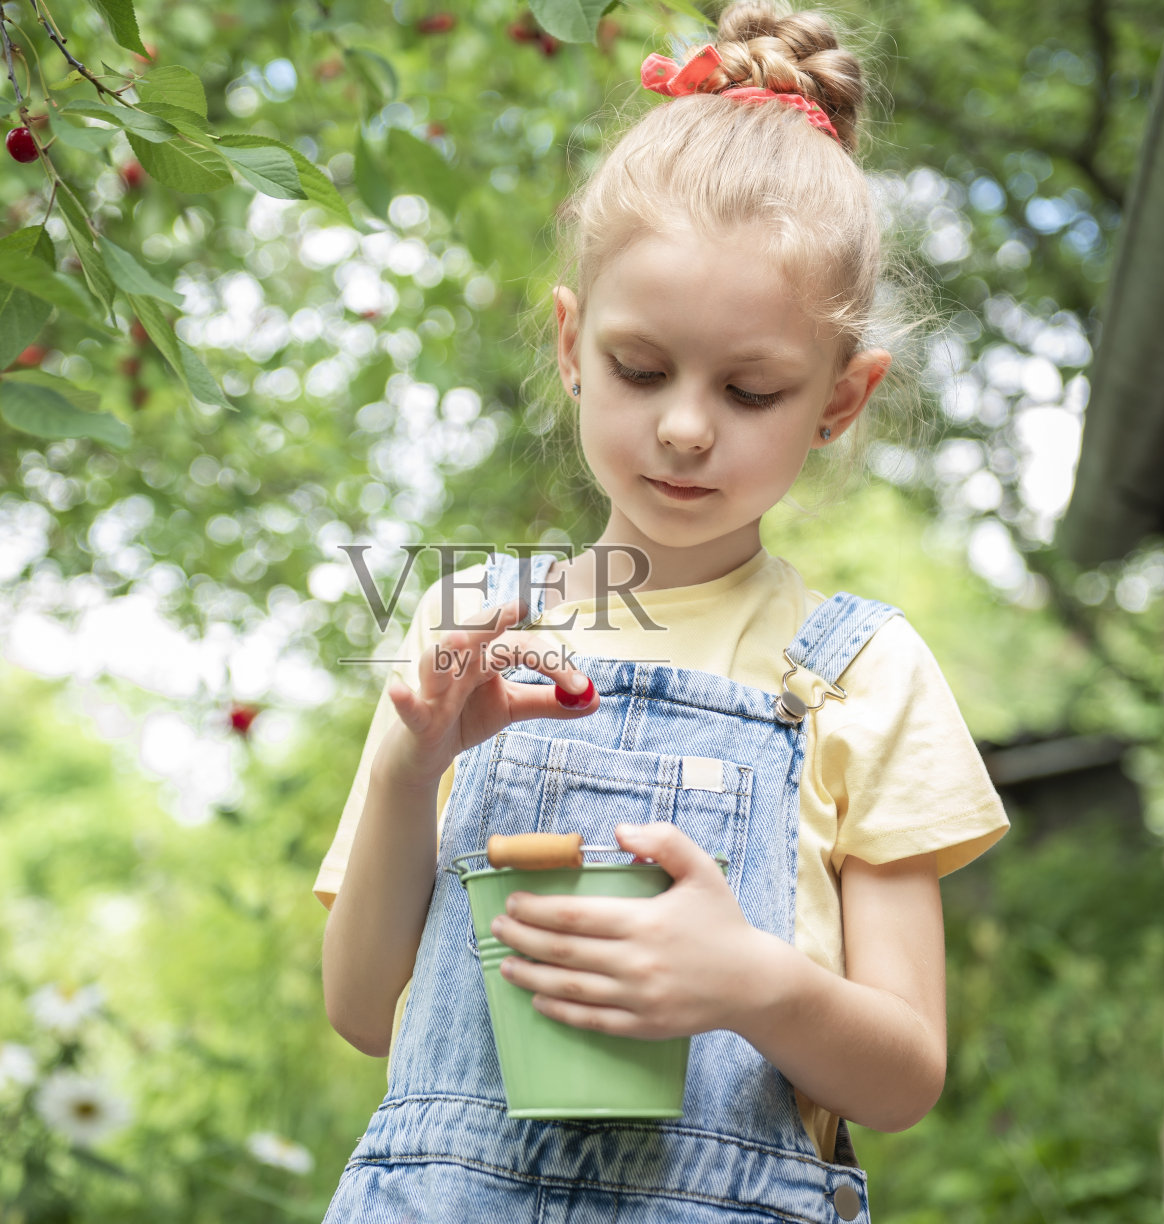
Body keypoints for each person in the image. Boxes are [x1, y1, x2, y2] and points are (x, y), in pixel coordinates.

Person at [314, 2, 1010, 1218]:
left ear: (841, 402)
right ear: (574, 345)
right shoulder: (471, 627)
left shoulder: (862, 671)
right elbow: (365, 1012)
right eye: (642, 370)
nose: (685, 426)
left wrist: (752, 982)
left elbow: (902, 1073)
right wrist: (401, 769)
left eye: (750, 389)